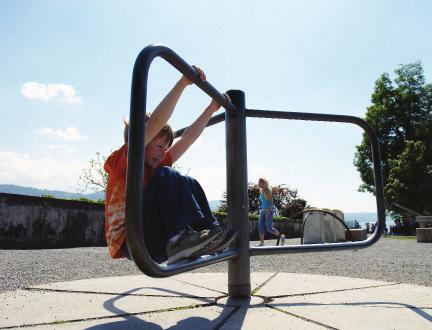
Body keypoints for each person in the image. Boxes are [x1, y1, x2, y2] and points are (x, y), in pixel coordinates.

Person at [104, 66, 237, 264]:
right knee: (168, 173)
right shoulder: (126, 159)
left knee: (188, 181)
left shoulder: (156, 168)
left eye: (165, 147)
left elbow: (187, 139)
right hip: (133, 240)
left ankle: (210, 234)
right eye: (158, 145)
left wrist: (211, 108)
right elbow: (157, 120)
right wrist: (183, 83)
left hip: (155, 238)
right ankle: (179, 239)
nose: (163, 153)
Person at [256, 178, 283, 246]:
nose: (258, 184)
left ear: (264, 183)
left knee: (269, 228)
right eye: (258, 183)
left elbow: (271, 202)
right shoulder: (262, 191)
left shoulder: (267, 190)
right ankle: (262, 242)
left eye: (260, 183)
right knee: (260, 226)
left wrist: (268, 210)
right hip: (263, 210)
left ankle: (281, 236)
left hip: (269, 210)